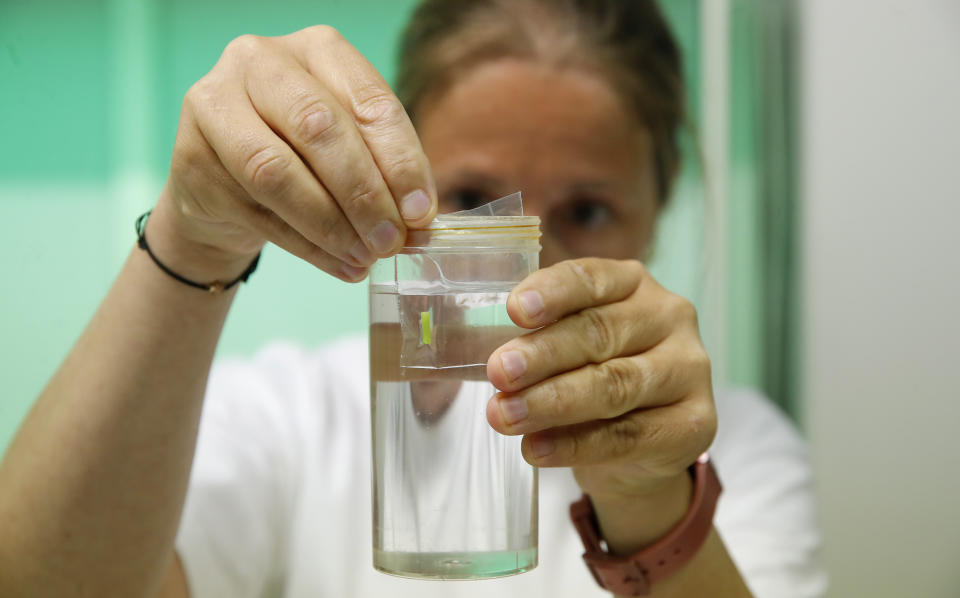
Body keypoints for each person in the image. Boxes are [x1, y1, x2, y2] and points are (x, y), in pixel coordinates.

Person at [0, 1, 825, 597]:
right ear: (397, 174)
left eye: (585, 211)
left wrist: (653, 504)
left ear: (662, 201)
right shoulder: (291, 419)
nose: (523, 270)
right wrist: (190, 240)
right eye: (471, 196)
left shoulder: (733, 451)